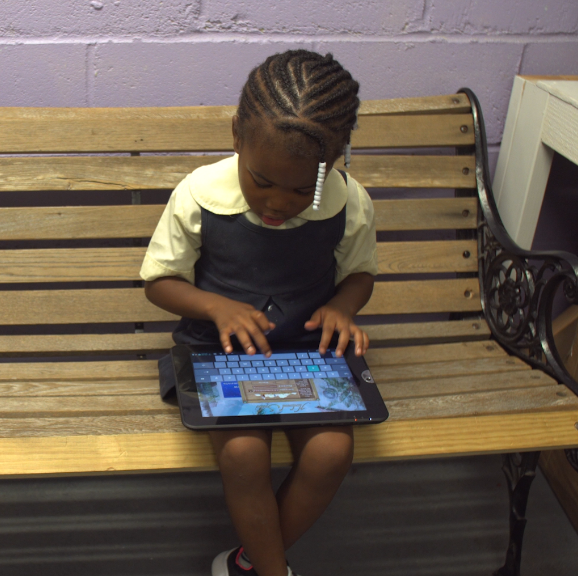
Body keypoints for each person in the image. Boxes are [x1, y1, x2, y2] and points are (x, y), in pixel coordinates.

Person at [140, 50, 377, 576]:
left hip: (307, 356)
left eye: (300, 189)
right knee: (245, 454)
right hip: (217, 354)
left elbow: (360, 274)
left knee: (332, 454)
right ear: (236, 138)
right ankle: (272, 571)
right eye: (262, 180)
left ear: (335, 161)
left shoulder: (348, 202)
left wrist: (342, 305)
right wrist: (215, 306)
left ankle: (251, 561)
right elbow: (158, 282)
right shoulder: (200, 194)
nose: (278, 202)